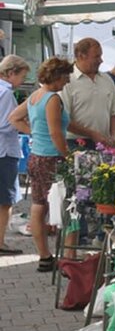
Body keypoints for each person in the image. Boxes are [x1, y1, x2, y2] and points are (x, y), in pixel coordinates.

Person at [8, 57, 72, 272]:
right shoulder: (53, 98)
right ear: (57, 76)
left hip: (36, 156)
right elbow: (56, 133)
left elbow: (14, 117)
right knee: (54, 206)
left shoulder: (35, 96)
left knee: (38, 205)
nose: (67, 81)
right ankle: (51, 255)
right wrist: (68, 156)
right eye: (65, 77)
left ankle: (44, 255)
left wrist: (34, 132)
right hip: (51, 157)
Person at [61, 38, 115, 150]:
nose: (101, 60)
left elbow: (114, 112)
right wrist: (91, 134)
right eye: (96, 56)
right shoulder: (67, 81)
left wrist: (113, 136)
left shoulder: (107, 80)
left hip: (104, 143)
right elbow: (63, 119)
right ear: (81, 55)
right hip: (76, 143)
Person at [0, 56, 29, 256]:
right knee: (5, 201)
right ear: (11, 73)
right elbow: (7, 123)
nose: (22, 81)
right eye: (22, 76)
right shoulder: (6, 93)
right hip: (4, 150)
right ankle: (0, 242)